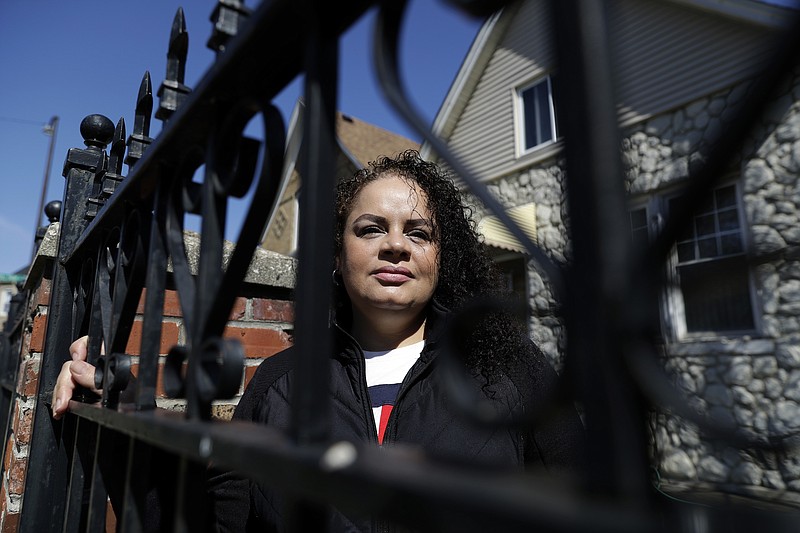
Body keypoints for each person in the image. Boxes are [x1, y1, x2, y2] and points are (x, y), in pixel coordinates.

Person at [53, 150, 585, 531]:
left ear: (441, 259)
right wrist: (118, 403)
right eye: (371, 228)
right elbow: (221, 519)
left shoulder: (510, 371)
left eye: (418, 233)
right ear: (337, 254)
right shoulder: (281, 381)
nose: (396, 246)